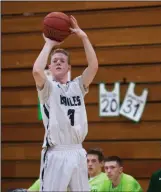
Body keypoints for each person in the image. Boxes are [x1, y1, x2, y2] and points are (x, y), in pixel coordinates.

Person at [32, 15, 98, 191]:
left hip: (77, 151)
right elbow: (37, 70)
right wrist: (49, 44)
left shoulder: (77, 86)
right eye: (55, 61)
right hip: (56, 152)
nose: (58, 62)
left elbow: (93, 67)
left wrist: (84, 37)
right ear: (51, 67)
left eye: (62, 61)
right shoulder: (48, 88)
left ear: (69, 67)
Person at [28, 148, 107, 192]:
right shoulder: (77, 179)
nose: (89, 164)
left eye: (93, 161)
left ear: (101, 163)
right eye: (87, 161)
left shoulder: (106, 179)